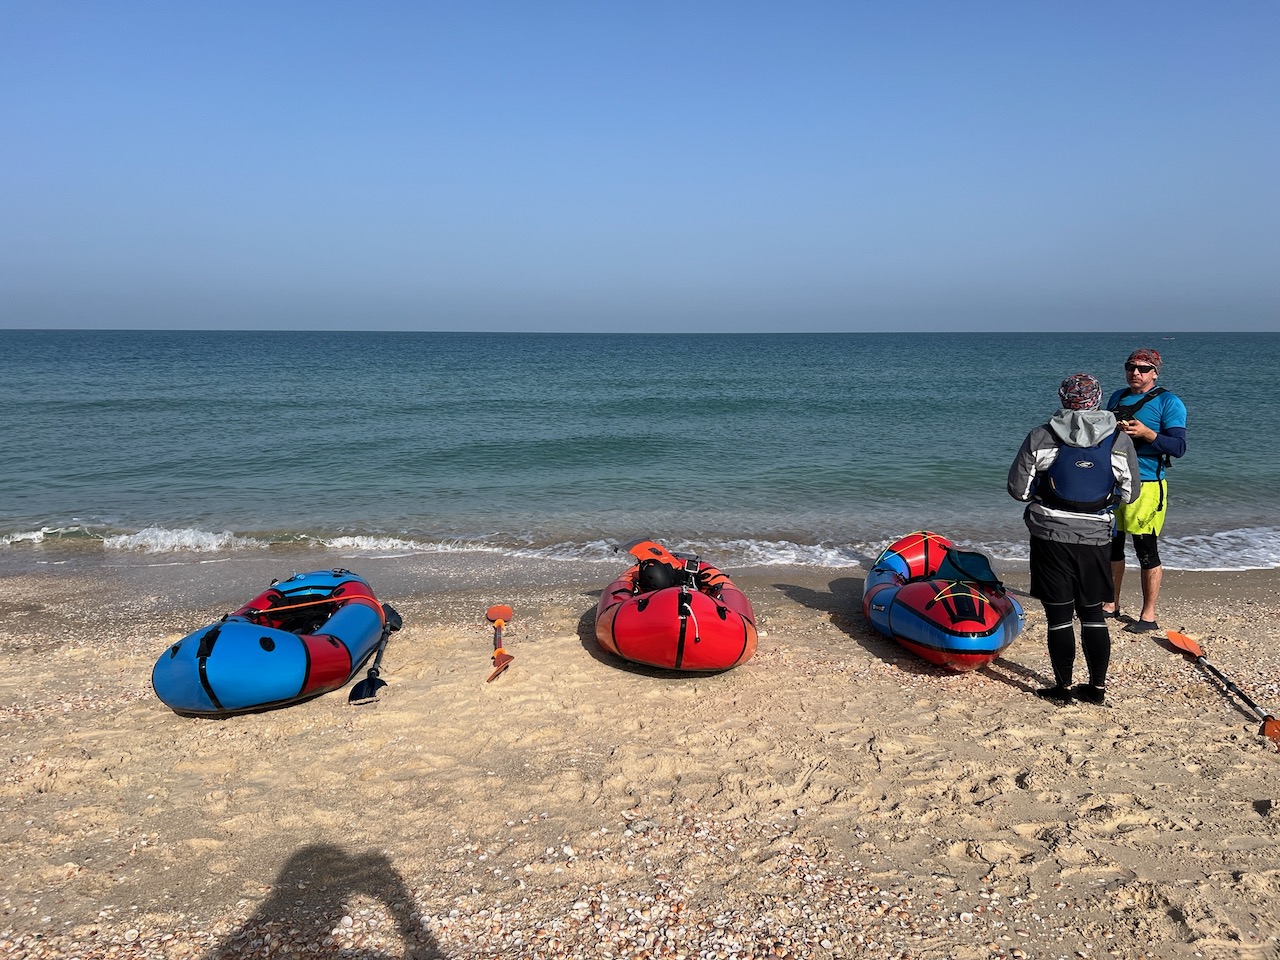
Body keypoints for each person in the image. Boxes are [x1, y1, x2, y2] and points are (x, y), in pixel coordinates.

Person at [1008, 373, 1140, 705]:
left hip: (1050, 535)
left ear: (1063, 399)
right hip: (1095, 537)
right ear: (1096, 399)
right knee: (1092, 614)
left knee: (1059, 615)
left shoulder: (1041, 436)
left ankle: (1063, 688)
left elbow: (1019, 490)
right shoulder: (1117, 440)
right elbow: (1130, 493)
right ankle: (1096, 689)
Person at [1103, 348, 1188, 633]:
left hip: (1148, 485)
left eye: (1142, 368)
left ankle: (1148, 616)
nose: (1135, 373)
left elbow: (1178, 447)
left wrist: (1147, 434)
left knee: (1146, 550)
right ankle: (1111, 604)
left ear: (1155, 372)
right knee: (1111, 546)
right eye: (1130, 367)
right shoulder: (1116, 397)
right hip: (1113, 481)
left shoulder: (1169, 402)